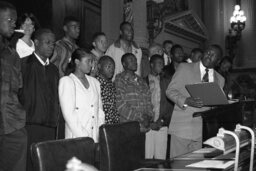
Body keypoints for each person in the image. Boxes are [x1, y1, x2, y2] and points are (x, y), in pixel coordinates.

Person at [166, 44, 225, 158]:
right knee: (179, 166)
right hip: (182, 129)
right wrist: (186, 100)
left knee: (197, 167)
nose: (209, 55)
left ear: (218, 61)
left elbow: (216, 106)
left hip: (203, 132)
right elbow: (170, 91)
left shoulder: (220, 79)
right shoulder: (185, 68)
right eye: (208, 52)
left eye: (213, 55)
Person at [19, 28, 59, 171]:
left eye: (53, 43)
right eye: (47, 42)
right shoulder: (23, 65)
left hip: (50, 126)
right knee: (30, 164)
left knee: (46, 164)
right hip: (29, 125)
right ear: (36, 42)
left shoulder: (54, 70)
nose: (51, 46)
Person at [0, 2, 27, 171]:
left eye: (15, 21)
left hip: (11, 123)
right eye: (9, 19)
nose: (14, 24)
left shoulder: (13, 55)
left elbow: (18, 88)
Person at [59, 48, 105, 142]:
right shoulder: (67, 81)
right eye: (88, 61)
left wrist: (99, 132)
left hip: (95, 137)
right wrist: (85, 137)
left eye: (92, 61)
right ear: (77, 62)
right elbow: (69, 115)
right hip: (76, 138)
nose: (91, 65)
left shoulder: (95, 82)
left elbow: (99, 111)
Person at [115, 53, 153, 132]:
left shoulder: (141, 80)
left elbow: (149, 101)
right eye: (131, 60)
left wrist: (149, 117)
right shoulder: (120, 79)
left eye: (135, 60)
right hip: (128, 126)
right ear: (124, 64)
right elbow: (120, 104)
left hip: (144, 126)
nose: (135, 62)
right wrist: (141, 117)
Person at [144, 54, 173, 159]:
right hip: (148, 126)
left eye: (163, 63)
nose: (162, 66)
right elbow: (141, 104)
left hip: (162, 124)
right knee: (147, 157)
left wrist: (161, 121)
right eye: (159, 63)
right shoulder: (143, 81)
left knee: (160, 158)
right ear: (152, 64)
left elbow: (170, 104)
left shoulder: (167, 81)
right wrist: (149, 122)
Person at [96, 56, 119, 124]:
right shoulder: (95, 83)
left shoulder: (112, 85)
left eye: (113, 68)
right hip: (101, 125)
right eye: (108, 67)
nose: (111, 70)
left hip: (114, 125)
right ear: (99, 66)